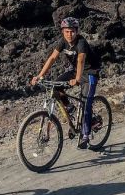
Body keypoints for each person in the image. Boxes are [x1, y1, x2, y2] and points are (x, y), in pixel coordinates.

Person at [31, 17, 102, 149]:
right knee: (56, 86)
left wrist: (78, 79)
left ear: (77, 31)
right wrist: (39, 76)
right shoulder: (62, 42)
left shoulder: (81, 42)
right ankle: (69, 107)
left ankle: (85, 135)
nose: (70, 34)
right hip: (75, 70)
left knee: (86, 103)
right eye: (67, 31)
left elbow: (81, 59)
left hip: (90, 72)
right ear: (63, 32)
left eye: (72, 31)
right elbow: (52, 58)